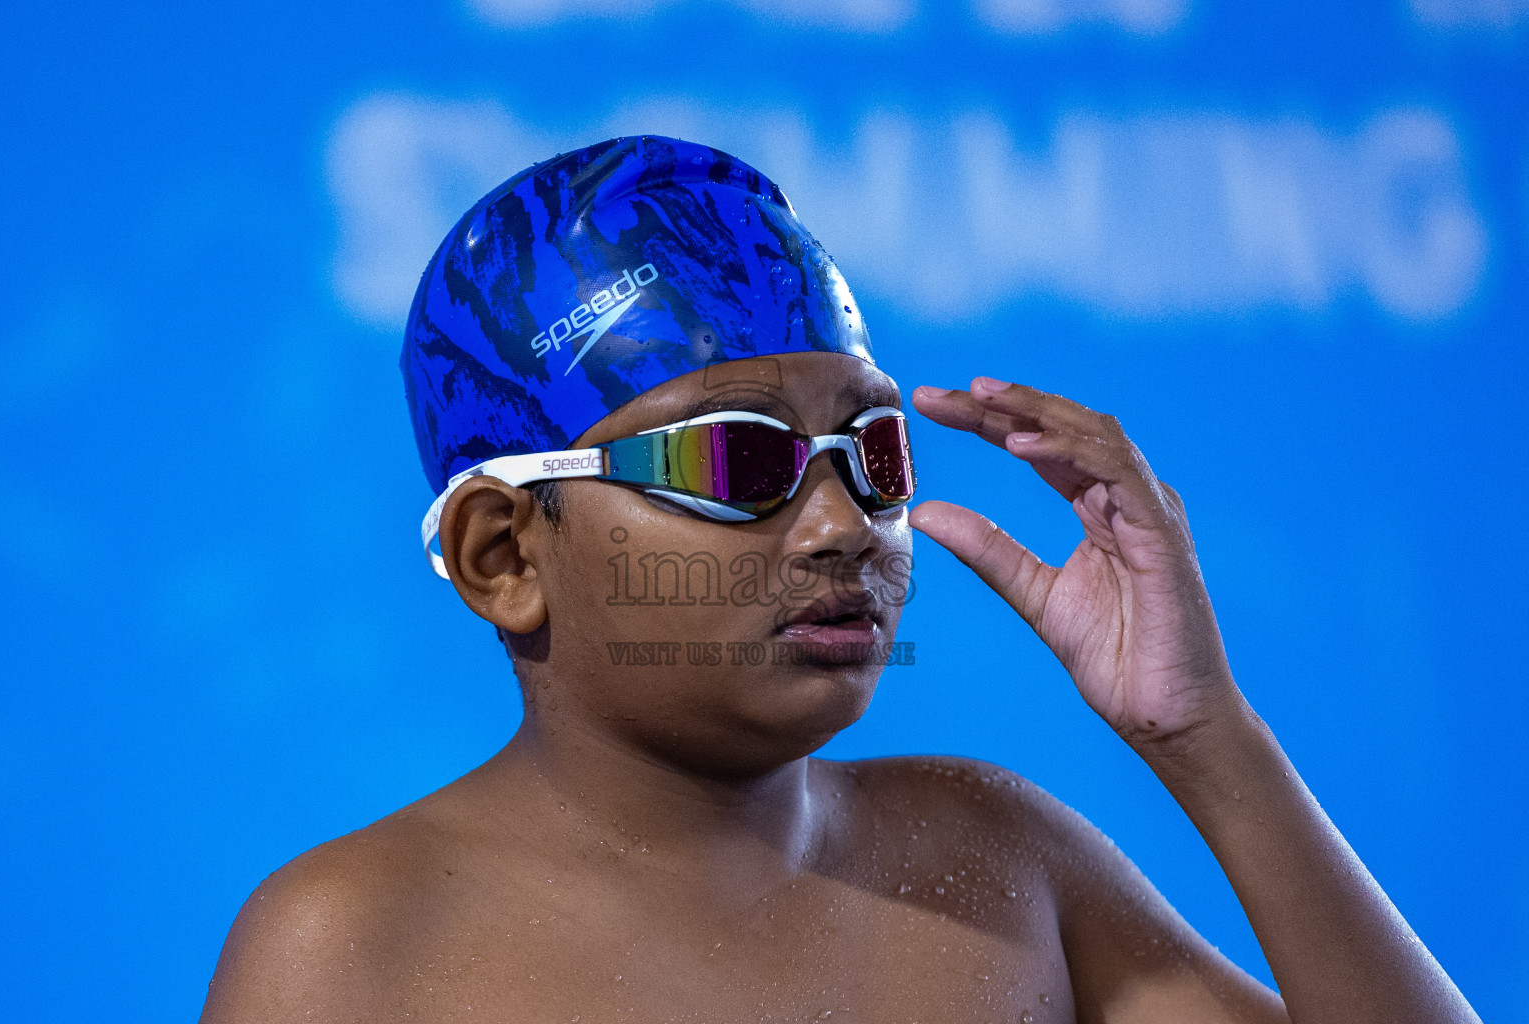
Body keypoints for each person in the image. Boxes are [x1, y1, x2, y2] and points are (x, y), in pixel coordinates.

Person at [200, 137, 1480, 1023]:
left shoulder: (997, 864)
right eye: (734, 459)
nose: (839, 525)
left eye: (870, 454)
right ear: (507, 555)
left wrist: (1210, 740)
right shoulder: (354, 948)